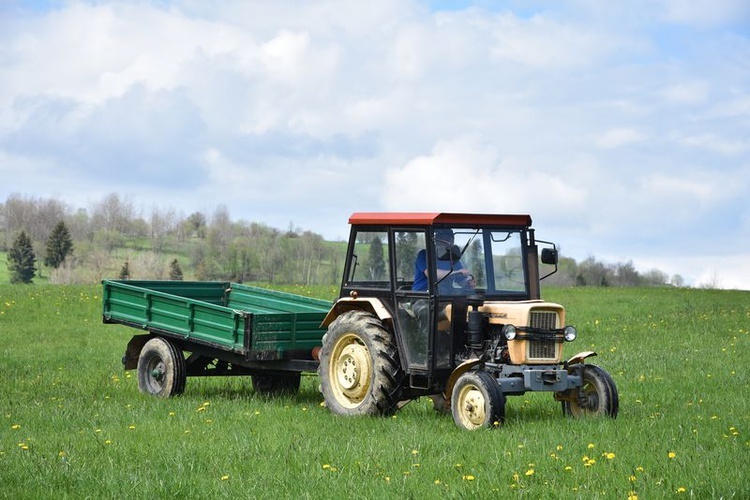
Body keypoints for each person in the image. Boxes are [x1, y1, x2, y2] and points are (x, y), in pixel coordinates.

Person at [412, 228, 474, 293]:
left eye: (450, 239)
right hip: (424, 295)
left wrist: (468, 281)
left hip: (445, 296)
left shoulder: (452, 257)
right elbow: (431, 274)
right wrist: (458, 272)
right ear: (436, 239)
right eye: (445, 238)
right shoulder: (424, 254)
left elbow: (460, 282)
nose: (448, 241)